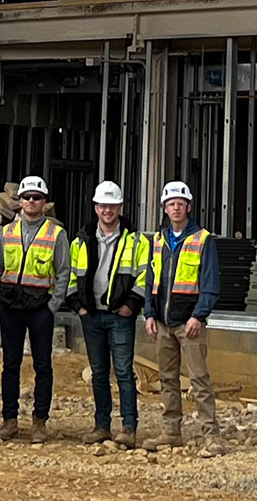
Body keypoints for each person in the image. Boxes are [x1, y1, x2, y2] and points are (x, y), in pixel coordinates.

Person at [141, 181, 226, 455]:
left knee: (199, 379)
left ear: (188, 206)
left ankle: (211, 435)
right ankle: (171, 432)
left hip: (190, 323)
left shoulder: (202, 239)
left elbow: (210, 283)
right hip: (164, 323)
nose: (175, 208)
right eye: (170, 204)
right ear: (165, 208)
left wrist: (199, 316)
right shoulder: (157, 240)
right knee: (167, 380)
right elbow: (151, 280)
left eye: (180, 203)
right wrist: (149, 313)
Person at [65, 181, 150, 448]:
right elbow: (70, 276)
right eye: (103, 205)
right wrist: (77, 306)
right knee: (99, 373)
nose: (107, 210)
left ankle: (128, 427)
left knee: (124, 372)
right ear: (96, 207)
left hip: (120, 315)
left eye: (112, 206)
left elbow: (145, 275)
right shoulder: (82, 240)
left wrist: (131, 306)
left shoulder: (135, 240)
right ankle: (102, 426)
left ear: (120, 207)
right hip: (91, 315)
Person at [0, 175, 70, 444]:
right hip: (10, 306)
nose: (31, 202)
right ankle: (10, 421)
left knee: (42, 365)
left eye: (36, 197)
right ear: (19, 202)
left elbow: (63, 272)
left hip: (39, 309)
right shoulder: (9, 232)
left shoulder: (56, 234)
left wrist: (52, 306)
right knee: (10, 364)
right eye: (26, 197)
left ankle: (39, 422)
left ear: (44, 202)